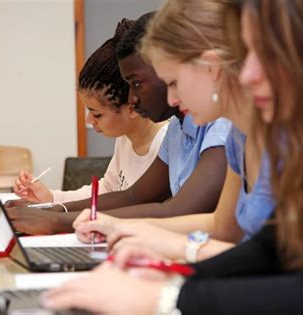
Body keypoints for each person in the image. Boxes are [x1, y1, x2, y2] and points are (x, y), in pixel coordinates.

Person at [40, 0, 303, 314]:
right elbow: (272, 248)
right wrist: (183, 276)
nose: (248, 74)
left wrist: (168, 296)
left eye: (264, 54)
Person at [72, 0, 275, 264]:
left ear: (211, 67)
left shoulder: (246, 132)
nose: (172, 98)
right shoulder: (239, 134)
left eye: (174, 83)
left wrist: (172, 256)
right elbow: (222, 225)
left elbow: (279, 262)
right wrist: (123, 228)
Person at [5, 12, 232, 235]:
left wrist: (57, 220)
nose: (131, 99)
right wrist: (51, 210)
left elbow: (176, 210)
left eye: (136, 84)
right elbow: (133, 195)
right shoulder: (177, 128)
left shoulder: (222, 125)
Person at [12, 18, 168, 205]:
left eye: (97, 113)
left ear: (132, 106)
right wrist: (52, 198)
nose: (89, 119)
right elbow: (107, 189)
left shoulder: (166, 143)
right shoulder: (126, 138)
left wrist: (57, 212)